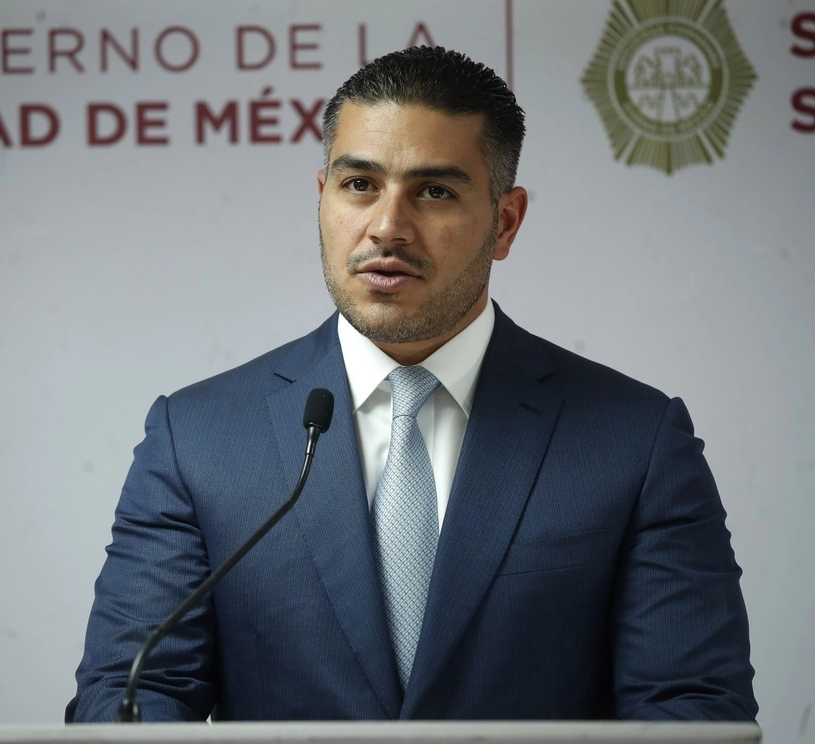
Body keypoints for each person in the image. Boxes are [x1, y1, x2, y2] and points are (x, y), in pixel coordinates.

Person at [66, 45, 757, 722]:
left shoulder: (633, 442)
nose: (387, 227)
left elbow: (689, 710)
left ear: (504, 221)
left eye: (433, 191)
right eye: (358, 184)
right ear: (322, 197)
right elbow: (128, 698)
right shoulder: (199, 438)